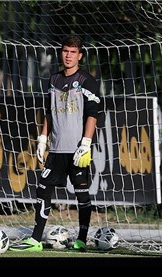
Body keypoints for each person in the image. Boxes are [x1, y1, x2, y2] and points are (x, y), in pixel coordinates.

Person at [10, 35, 100, 252]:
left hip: (78, 149)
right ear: (61, 53)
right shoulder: (53, 80)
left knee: (81, 193)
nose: (68, 55)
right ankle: (35, 239)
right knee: (43, 186)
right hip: (57, 149)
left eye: (73, 52)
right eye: (65, 51)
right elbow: (48, 113)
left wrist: (86, 143)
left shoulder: (88, 81)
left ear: (80, 55)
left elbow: (92, 115)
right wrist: (43, 139)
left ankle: (81, 239)